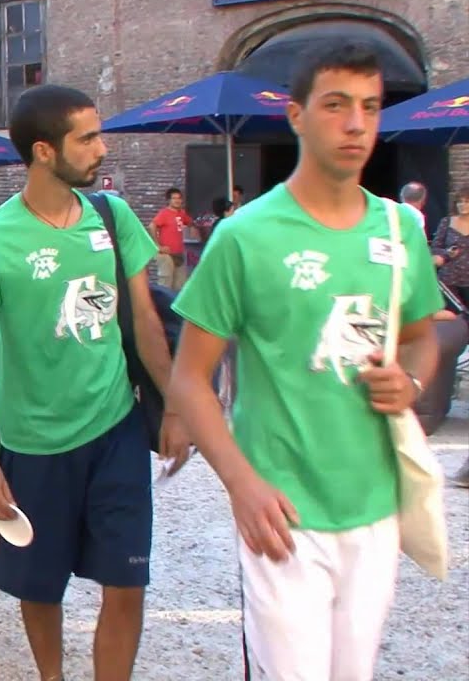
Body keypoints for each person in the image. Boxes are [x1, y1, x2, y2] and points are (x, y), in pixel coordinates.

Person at [169, 42, 443, 681]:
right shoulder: (245, 236)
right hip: (283, 512)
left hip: (375, 506)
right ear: (296, 115)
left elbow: (424, 338)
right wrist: (241, 483)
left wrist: (410, 381)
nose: (356, 125)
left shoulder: (399, 229)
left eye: (371, 108)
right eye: (337, 106)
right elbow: (190, 377)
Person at [0, 84, 185, 681]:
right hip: (33, 443)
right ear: (45, 152)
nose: (103, 148)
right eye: (89, 138)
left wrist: (177, 406)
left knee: (127, 581)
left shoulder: (113, 215)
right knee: (41, 586)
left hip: (115, 430)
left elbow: (146, 321)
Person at [432, 187, 469, 489]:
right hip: (449, 288)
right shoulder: (447, 223)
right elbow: (434, 250)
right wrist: (445, 256)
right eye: (461, 200)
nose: (463, 205)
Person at [150, 187, 193, 291]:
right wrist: (158, 246)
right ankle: (162, 306)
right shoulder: (164, 213)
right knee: (165, 283)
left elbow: (190, 222)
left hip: (179, 254)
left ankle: (172, 307)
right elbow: (152, 226)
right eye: (174, 198)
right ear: (169, 200)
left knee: (180, 285)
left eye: (179, 198)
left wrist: (193, 229)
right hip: (166, 254)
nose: (177, 200)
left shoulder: (182, 213)